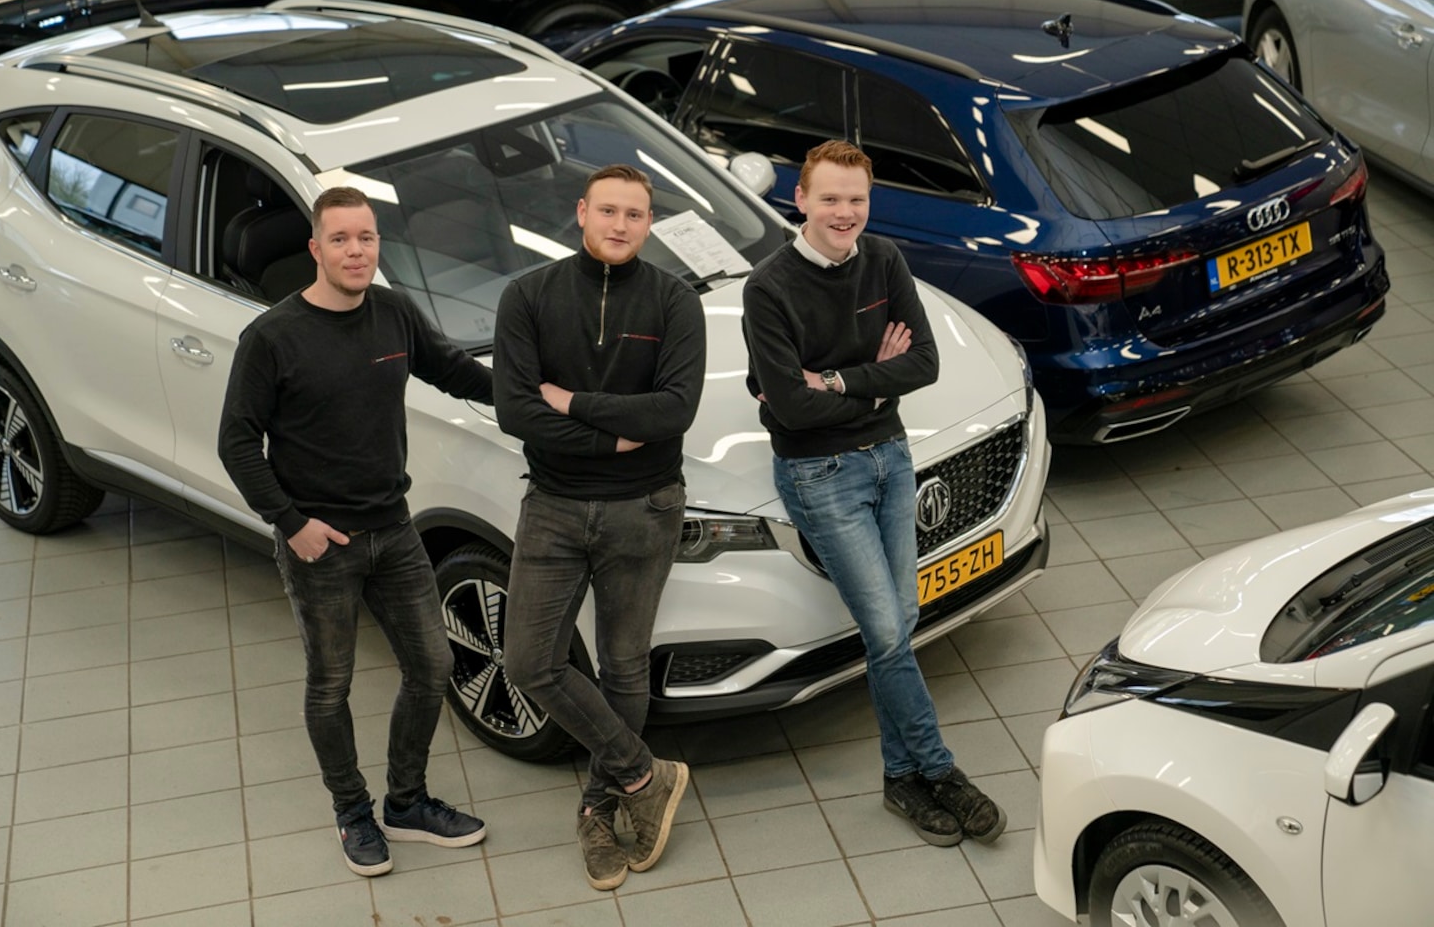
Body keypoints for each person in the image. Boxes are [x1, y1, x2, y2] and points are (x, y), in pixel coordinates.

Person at [217, 186, 493, 878]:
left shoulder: (393, 313)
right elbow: (237, 443)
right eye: (339, 239)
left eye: (365, 238)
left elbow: (456, 373)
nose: (355, 251)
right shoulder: (273, 337)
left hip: (393, 529)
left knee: (433, 667)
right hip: (321, 544)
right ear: (315, 249)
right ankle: (352, 811)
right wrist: (291, 524)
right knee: (330, 685)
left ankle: (406, 802)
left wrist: (536, 392)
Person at [741, 141, 1007, 848]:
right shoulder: (768, 289)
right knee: (887, 631)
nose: (844, 213)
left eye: (856, 199)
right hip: (820, 474)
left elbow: (924, 362)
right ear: (800, 199)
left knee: (899, 623)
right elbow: (790, 410)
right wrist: (873, 380)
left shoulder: (883, 259)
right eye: (830, 198)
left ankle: (899, 778)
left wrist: (835, 381)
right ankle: (940, 770)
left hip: (891, 457)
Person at [494, 164, 705, 891]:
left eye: (635, 215)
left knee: (622, 664)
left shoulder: (675, 301)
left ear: (649, 223)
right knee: (529, 662)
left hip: (645, 508)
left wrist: (572, 402)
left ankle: (598, 809)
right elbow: (516, 411)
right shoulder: (528, 296)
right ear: (581, 212)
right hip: (552, 506)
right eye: (608, 211)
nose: (620, 225)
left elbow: (674, 411)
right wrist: (615, 435)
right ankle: (646, 775)